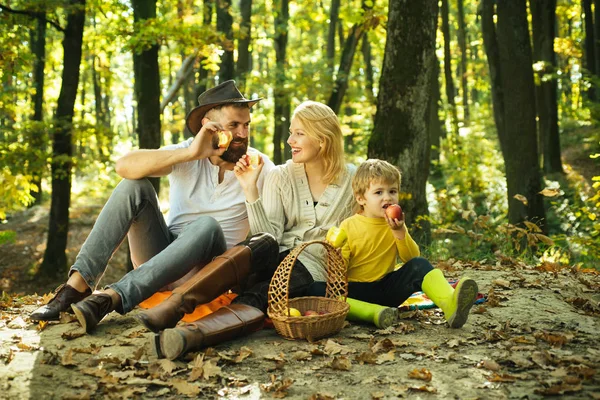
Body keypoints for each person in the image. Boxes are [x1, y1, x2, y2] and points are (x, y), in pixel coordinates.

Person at [30, 80, 278, 334]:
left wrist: (251, 189)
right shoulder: (187, 152)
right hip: (162, 257)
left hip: (210, 271)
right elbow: (124, 166)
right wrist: (192, 153)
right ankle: (76, 286)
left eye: (246, 125)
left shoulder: (260, 165)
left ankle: (112, 297)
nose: (243, 134)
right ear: (209, 127)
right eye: (233, 126)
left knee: (206, 226)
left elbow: (268, 238)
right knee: (133, 187)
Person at [140, 101, 358, 360]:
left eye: (299, 133)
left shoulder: (353, 181)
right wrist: (249, 188)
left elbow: (365, 232)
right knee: (261, 243)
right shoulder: (281, 175)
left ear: (322, 139)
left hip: (311, 267)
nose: (290, 140)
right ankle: (177, 304)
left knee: (257, 295)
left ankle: (190, 336)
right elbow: (271, 237)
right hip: (276, 254)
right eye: (290, 132)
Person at [308, 159, 479, 329]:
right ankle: (374, 314)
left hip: (387, 290)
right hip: (356, 293)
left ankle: (450, 305)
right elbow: (338, 275)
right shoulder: (348, 226)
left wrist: (399, 232)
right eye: (379, 192)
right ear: (361, 198)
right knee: (315, 289)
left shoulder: (395, 223)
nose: (387, 197)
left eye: (392, 191)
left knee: (420, 265)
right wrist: (336, 252)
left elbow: (411, 258)